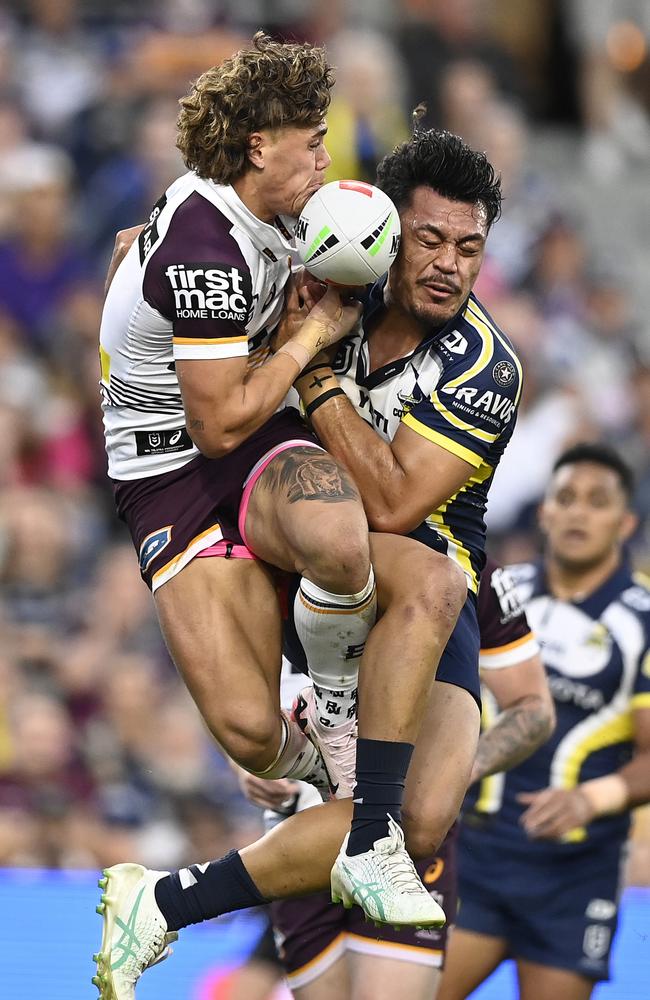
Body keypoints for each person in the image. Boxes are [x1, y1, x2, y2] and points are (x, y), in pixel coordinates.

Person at [93, 123, 520, 1000]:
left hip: (418, 583)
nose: (448, 265)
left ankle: (168, 902)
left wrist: (316, 380)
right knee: (259, 738)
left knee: (424, 824)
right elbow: (169, 250)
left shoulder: (485, 365)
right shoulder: (324, 273)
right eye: (430, 241)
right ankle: (337, 793)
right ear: (390, 234)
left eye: (469, 249)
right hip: (308, 554)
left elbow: (399, 506)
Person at [235, 555, 554, 1000]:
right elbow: (240, 692)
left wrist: (453, 769)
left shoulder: (461, 563)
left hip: (404, 841)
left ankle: (168, 900)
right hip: (299, 838)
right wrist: (251, 763)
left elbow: (534, 707)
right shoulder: (282, 552)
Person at [437, 442, 650, 1000]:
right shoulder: (497, 593)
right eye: (567, 498)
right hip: (474, 856)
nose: (579, 513)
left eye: (597, 502)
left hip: (575, 872)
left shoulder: (643, 621)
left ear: (624, 522)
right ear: (546, 512)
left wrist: (589, 799)